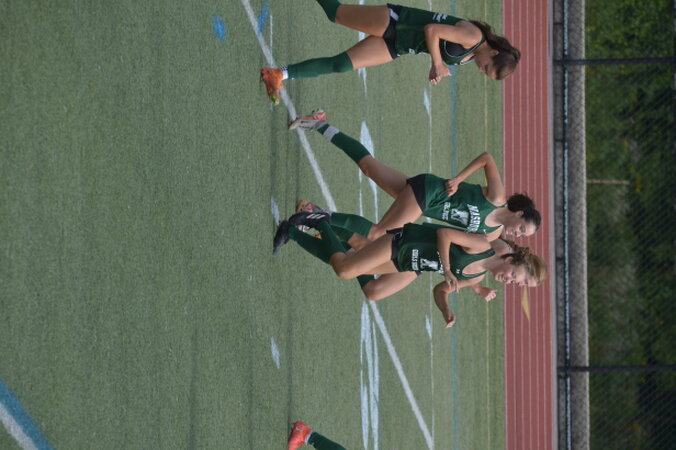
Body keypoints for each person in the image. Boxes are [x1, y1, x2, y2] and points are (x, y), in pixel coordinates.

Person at [288, 110, 541, 245]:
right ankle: (313, 214)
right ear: (519, 214)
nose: (517, 233)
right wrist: (458, 179)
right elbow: (487, 158)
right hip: (431, 191)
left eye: (522, 235)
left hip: (424, 205)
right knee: (377, 234)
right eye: (522, 228)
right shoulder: (497, 197)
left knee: (369, 167)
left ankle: (320, 123)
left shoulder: (493, 234)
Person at [273, 212, 547, 327]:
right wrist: (448, 268)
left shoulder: (478, 275)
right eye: (516, 277)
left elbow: (440, 290)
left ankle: (291, 232)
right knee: (345, 269)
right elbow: (443, 234)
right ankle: (320, 221)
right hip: (404, 244)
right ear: (512, 260)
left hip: (407, 263)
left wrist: (445, 310)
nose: (510, 282)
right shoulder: (482, 246)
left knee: (352, 267)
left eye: (517, 284)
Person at [261, 1, 521, 104]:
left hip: (399, 45)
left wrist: (437, 65)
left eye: (486, 73)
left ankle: (278, 74)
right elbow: (431, 30)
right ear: (493, 51)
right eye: (487, 67)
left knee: (341, 65)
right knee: (336, 13)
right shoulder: (473, 38)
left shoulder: (471, 55)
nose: (481, 70)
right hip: (396, 23)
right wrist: (437, 63)